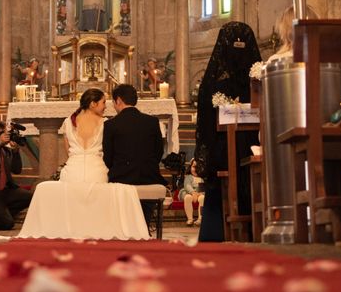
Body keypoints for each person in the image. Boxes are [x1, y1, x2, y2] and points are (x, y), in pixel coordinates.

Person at [18, 88, 149, 240]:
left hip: (72, 171)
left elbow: (68, 150)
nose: (105, 106)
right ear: (93, 104)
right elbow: (107, 151)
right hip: (97, 171)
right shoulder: (105, 123)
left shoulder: (68, 122)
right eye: (102, 103)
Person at [194, 22, 261, 242]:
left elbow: (205, 125)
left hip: (223, 151)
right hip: (251, 147)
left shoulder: (216, 81)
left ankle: (216, 231)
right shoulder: (258, 80)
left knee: (223, 162)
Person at [103, 84, 167, 225]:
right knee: (145, 211)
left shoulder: (110, 125)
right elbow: (159, 152)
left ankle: (125, 227)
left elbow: (108, 158)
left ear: (118, 100)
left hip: (122, 178)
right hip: (149, 176)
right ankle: (144, 225)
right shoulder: (152, 122)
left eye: (113, 102)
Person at [0, 122, 33, 230]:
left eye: (1, 134)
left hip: (5, 192)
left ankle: (3, 213)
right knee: (7, 224)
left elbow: (17, 170)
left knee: (31, 197)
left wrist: (16, 151)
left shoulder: (5, 150)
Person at [180, 159, 205, 226]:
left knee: (203, 198)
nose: (195, 169)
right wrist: (193, 192)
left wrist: (200, 193)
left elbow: (203, 188)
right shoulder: (188, 177)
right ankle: (190, 219)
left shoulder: (202, 178)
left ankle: (200, 218)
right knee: (187, 197)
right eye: (194, 167)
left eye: (198, 167)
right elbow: (187, 185)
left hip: (199, 193)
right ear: (190, 167)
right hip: (188, 193)